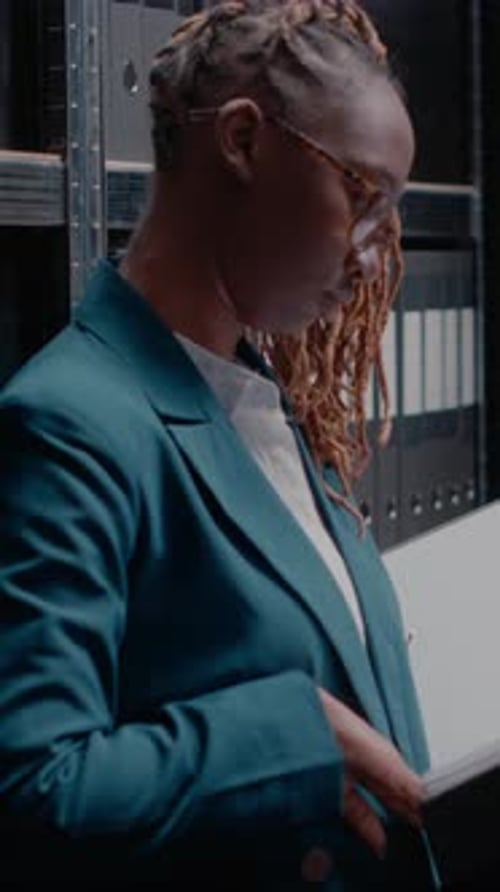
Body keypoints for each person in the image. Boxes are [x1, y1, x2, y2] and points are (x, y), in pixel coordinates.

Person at [0, 0, 440, 888]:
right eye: (361, 198)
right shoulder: (68, 421)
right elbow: (31, 792)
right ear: (242, 142)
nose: (368, 256)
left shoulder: (265, 403)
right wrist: (286, 738)